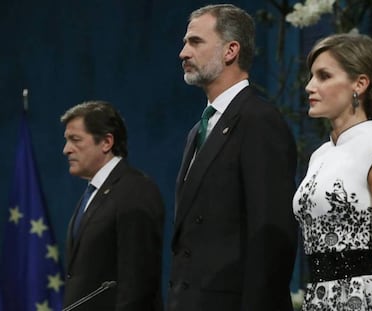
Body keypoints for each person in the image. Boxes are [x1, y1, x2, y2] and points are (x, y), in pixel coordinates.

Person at [168, 4, 298, 311]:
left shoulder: (259, 120)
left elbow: (272, 236)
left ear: (231, 50)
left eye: (195, 42)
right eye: (186, 42)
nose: (183, 53)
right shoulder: (197, 130)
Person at [293, 33, 372, 310]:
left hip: (366, 301)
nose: (310, 86)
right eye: (311, 76)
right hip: (319, 300)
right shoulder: (320, 155)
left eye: (324, 76)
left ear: (359, 84)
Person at [61, 101, 164, 311]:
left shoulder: (135, 190)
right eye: (66, 141)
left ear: (106, 142)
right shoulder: (94, 193)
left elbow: (138, 283)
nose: (66, 150)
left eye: (75, 140)